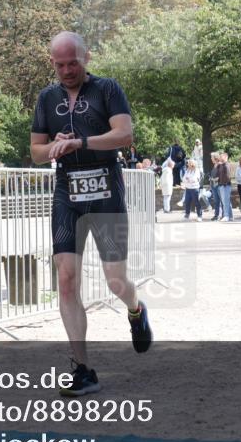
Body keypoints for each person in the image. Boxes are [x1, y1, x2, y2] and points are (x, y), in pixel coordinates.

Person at [30, 31, 151, 397]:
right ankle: (83, 368)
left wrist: (80, 141)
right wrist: (54, 147)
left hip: (105, 190)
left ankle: (135, 307)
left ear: (87, 58)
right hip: (68, 192)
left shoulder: (107, 89)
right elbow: (36, 152)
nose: (66, 70)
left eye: (73, 63)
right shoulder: (47, 98)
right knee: (66, 279)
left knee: (116, 281)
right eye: (59, 64)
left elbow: (125, 134)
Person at [214, 152, 233, 222]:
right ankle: (230, 216)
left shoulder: (226, 165)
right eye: (220, 157)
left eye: (222, 157)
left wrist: (224, 184)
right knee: (226, 201)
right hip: (222, 185)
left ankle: (226, 216)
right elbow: (217, 174)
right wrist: (217, 166)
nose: (220, 158)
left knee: (225, 202)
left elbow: (228, 176)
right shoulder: (221, 165)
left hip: (226, 185)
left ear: (226, 157)